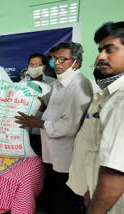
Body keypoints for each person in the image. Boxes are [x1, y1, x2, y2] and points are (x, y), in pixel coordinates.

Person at [15, 41, 93, 214]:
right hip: (52, 155)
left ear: (76, 63)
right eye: (54, 59)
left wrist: (39, 123)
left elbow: (70, 126)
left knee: (65, 203)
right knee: (53, 198)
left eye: (62, 59)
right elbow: (50, 112)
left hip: (66, 158)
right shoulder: (59, 84)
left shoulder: (80, 86)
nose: (57, 63)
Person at [67, 21, 124, 214]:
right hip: (95, 192)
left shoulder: (122, 99)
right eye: (100, 50)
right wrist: (87, 191)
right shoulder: (108, 94)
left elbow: (115, 171)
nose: (100, 57)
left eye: (110, 50)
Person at [20, 53, 56, 155]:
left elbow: (57, 111)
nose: (33, 67)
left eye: (37, 65)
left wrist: (43, 107)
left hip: (42, 133)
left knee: (43, 165)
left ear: (43, 67)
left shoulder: (53, 84)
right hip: (23, 133)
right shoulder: (21, 84)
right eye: (31, 65)